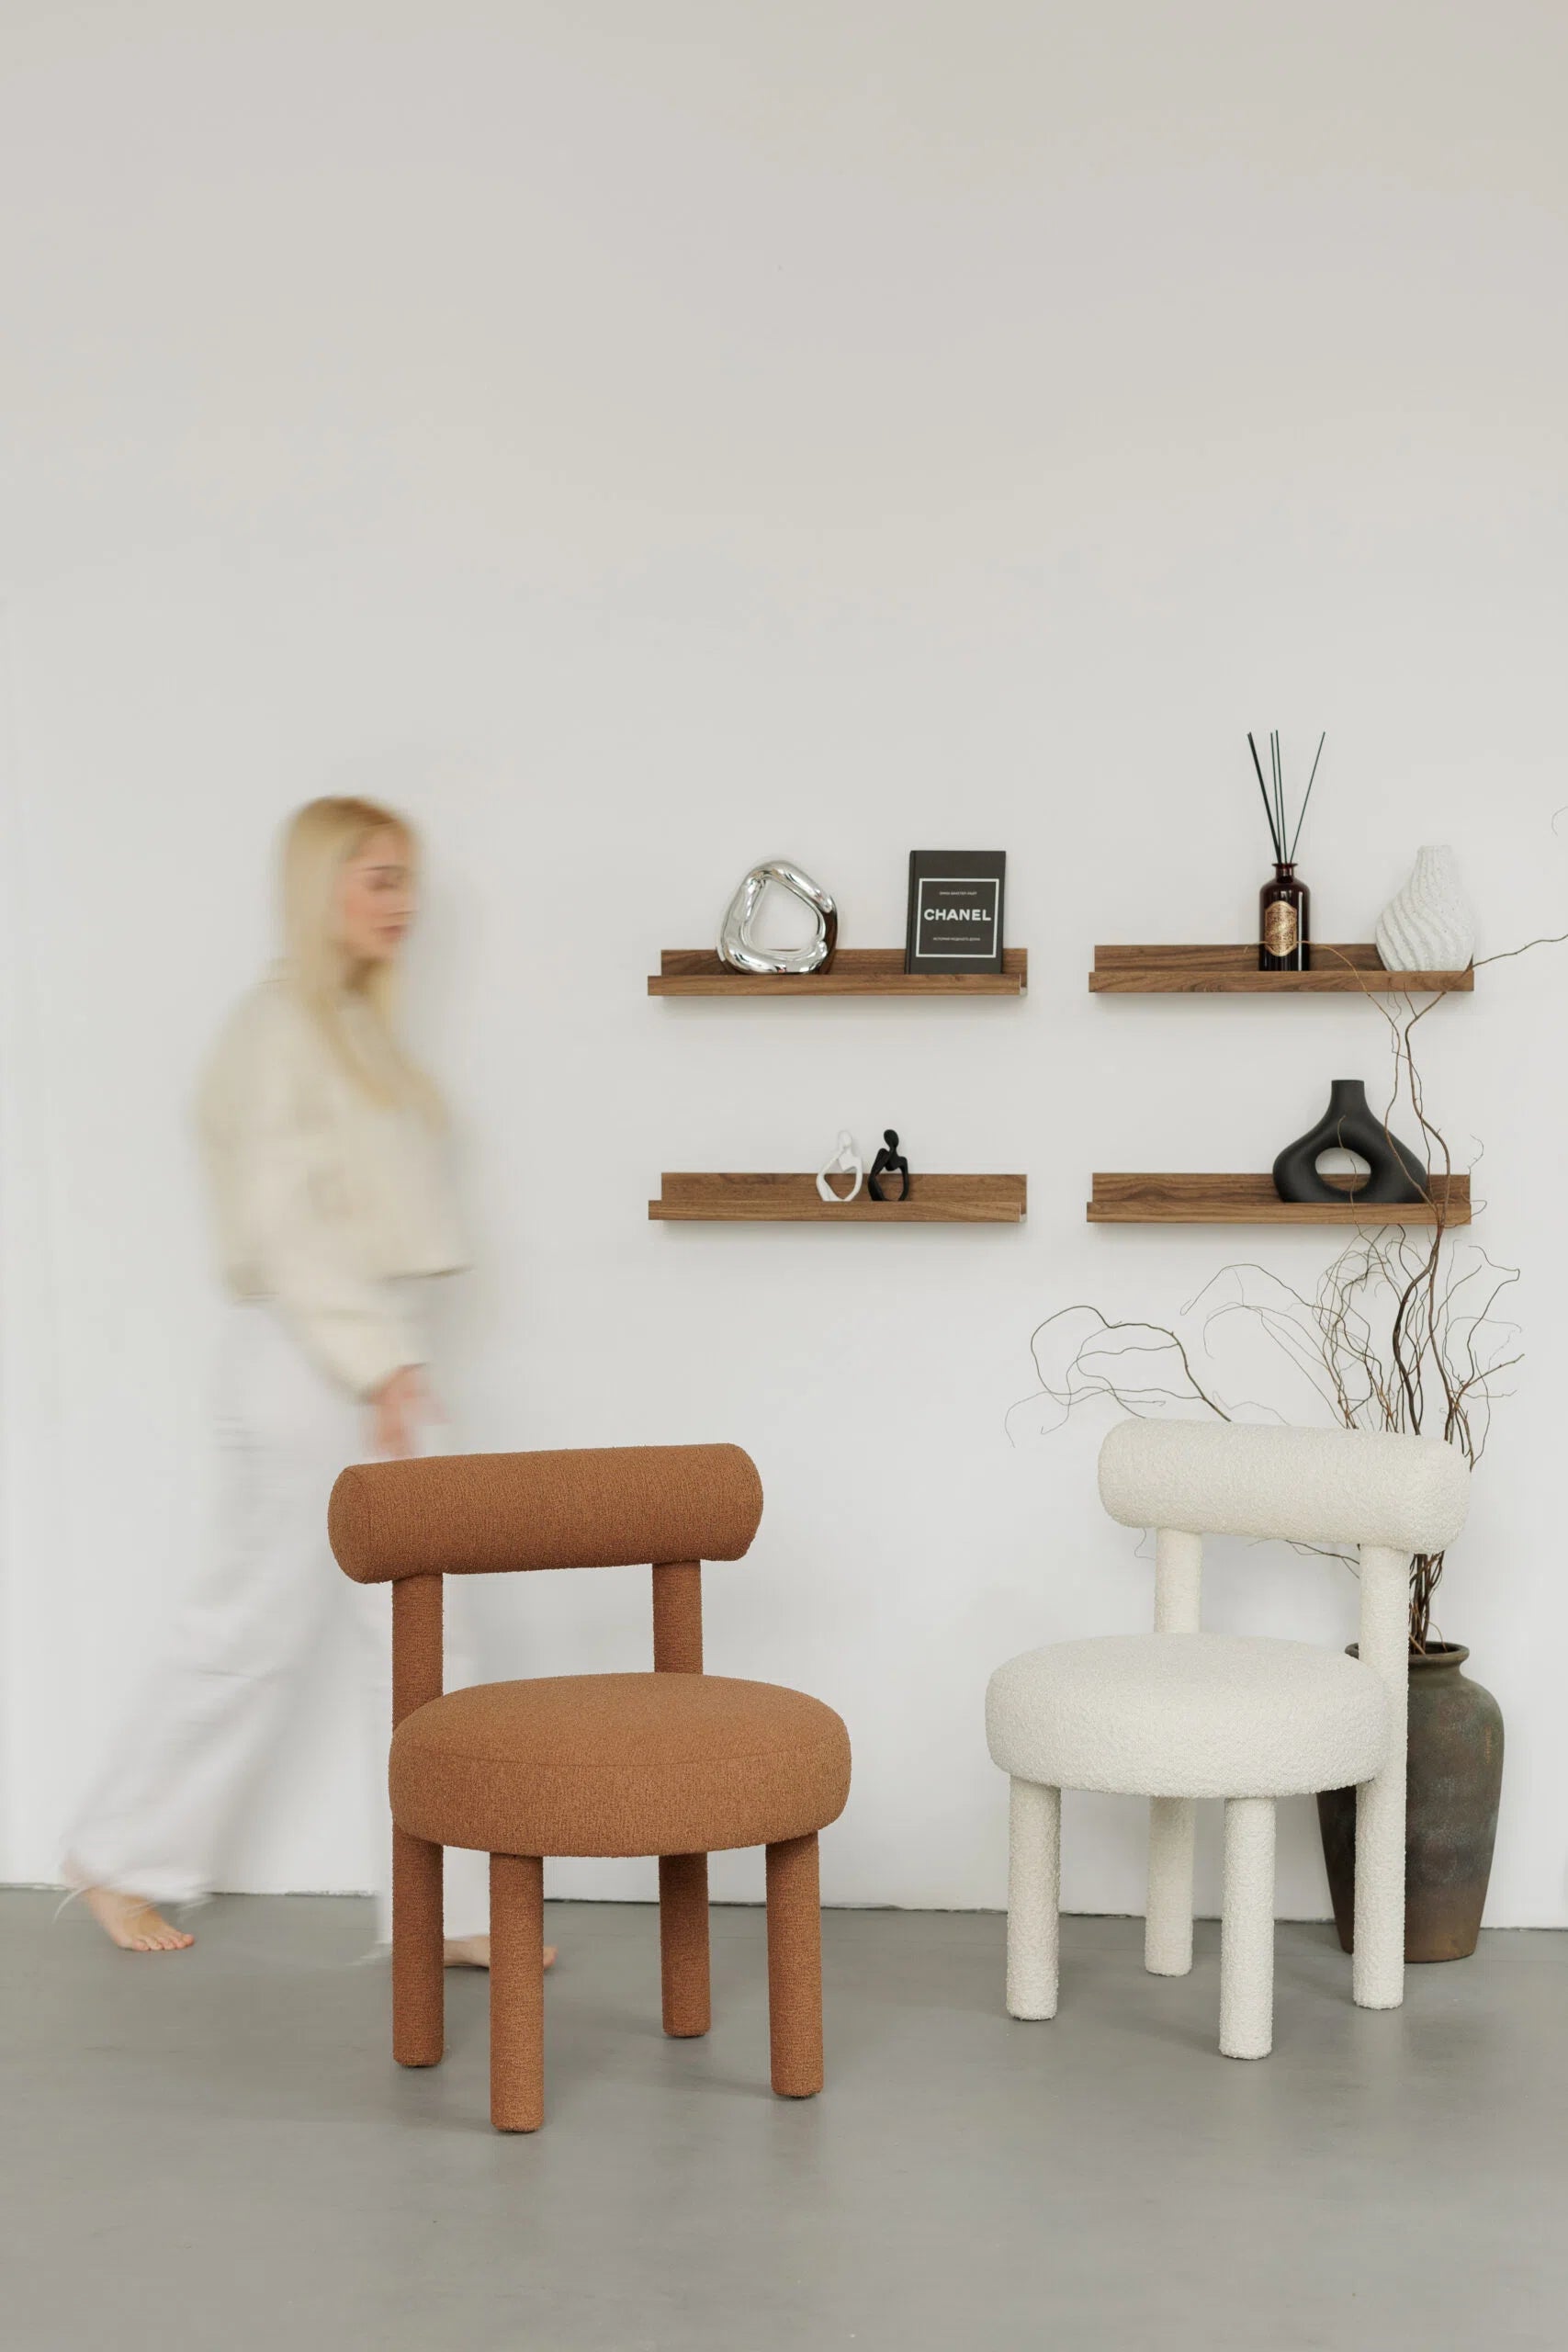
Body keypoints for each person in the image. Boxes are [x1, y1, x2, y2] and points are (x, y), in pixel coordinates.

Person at [62, 796, 550, 1969]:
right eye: (377, 877)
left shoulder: (351, 1028)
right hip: (314, 1366)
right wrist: (378, 1363)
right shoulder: (275, 1028)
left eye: (407, 880)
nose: (402, 901)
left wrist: (396, 1362)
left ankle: (452, 1913)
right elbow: (282, 1226)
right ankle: (119, 1856)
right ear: (318, 884)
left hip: (374, 1362)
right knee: (251, 1626)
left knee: (430, 1633)